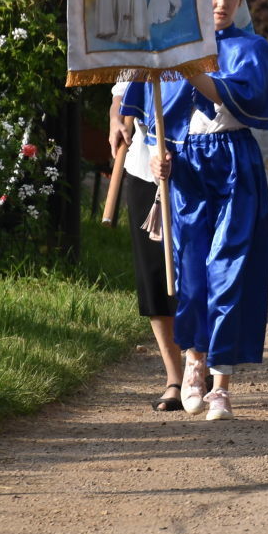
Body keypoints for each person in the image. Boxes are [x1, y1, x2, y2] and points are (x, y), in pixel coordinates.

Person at [126, 0, 268, 420]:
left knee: (230, 270)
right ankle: (194, 362)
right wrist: (159, 154)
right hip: (187, 170)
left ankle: (222, 382)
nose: (221, 3)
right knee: (191, 272)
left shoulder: (252, 49)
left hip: (234, 164)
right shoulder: (170, 47)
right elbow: (154, 115)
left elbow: (238, 96)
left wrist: (191, 69)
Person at [108, 82, 184, 410]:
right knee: (153, 274)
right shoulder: (135, 55)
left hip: (197, 163)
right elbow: (120, 95)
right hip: (143, 169)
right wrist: (115, 119)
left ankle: (202, 364)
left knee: (198, 270)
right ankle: (174, 378)